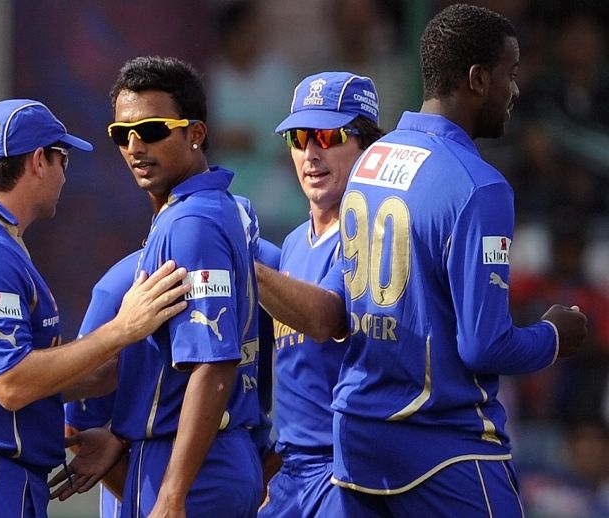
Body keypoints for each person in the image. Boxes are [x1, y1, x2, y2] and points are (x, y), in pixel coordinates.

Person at [324, 4, 588, 515]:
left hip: (357, 441)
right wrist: (554, 336)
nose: (515, 91)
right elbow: (484, 347)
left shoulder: (370, 161)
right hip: (443, 450)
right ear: (477, 79)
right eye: (510, 75)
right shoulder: (480, 186)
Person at [0, 98, 190, 517]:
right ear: (39, 160)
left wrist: (98, 387)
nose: (64, 175)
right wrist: (122, 329)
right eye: (63, 158)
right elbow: (11, 383)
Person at [105, 55, 263, 517]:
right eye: (121, 134)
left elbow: (213, 366)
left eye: (151, 130)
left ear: (195, 133)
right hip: (196, 455)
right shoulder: (200, 209)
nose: (134, 146)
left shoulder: (192, 221)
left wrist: (173, 493)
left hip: (194, 463)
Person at [58, 195, 280, 517]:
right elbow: (76, 427)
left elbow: (257, 404)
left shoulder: (261, 289)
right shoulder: (121, 287)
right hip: (148, 468)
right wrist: (150, 498)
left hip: (230, 468)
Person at [255, 71, 384, 518]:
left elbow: (328, 319)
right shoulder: (291, 243)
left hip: (346, 468)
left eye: (329, 135)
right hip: (290, 470)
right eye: (298, 137)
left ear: (367, 147)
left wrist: (240, 264)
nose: (311, 152)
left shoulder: (375, 234)